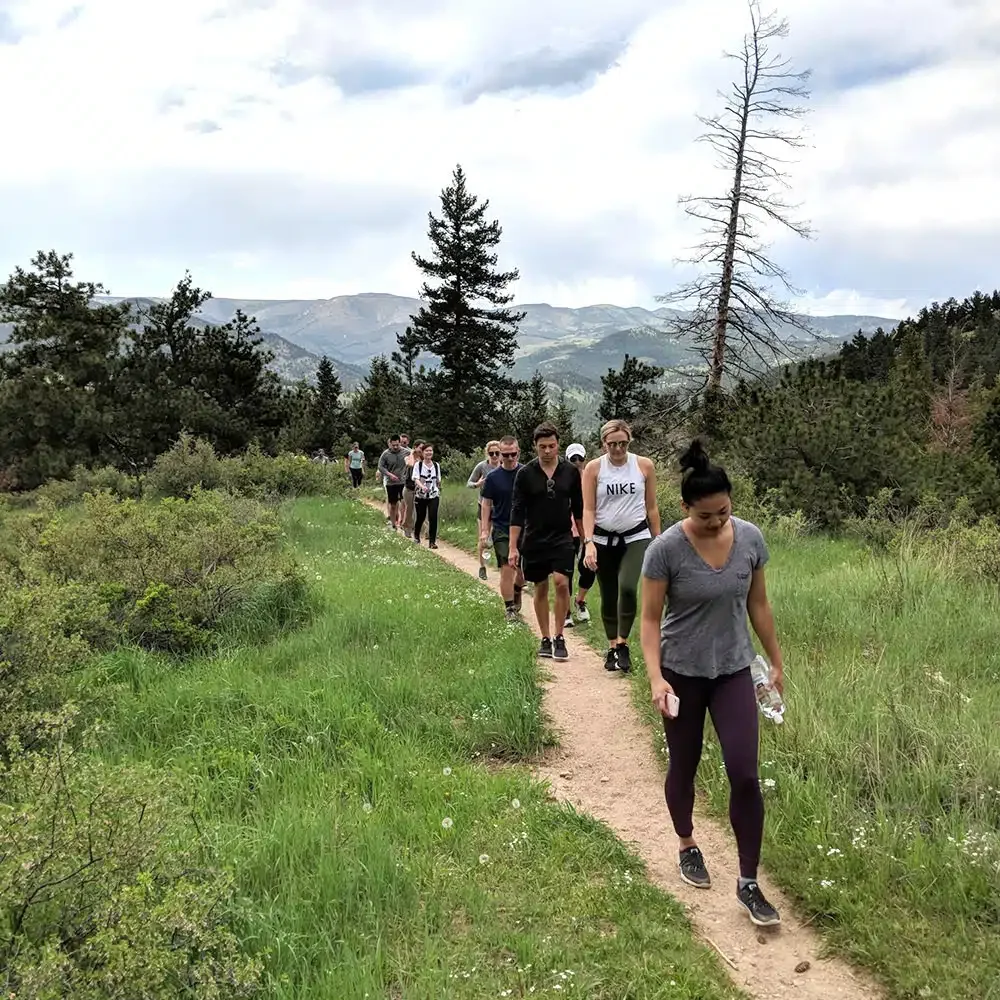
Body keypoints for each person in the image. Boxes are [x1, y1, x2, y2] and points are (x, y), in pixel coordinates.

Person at [639, 439, 785, 928]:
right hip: (681, 673)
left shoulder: (750, 539)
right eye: (706, 516)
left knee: (744, 770)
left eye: (724, 512)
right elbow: (650, 619)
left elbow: (758, 605)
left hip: (734, 671)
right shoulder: (665, 551)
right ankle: (687, 844)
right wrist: (656, 677)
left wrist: (775, 660)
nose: (718, 522)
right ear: (685, 509)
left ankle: (748, 882)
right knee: (684, 763)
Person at [582, 420, 661, 674]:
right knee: (608, 592)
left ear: (630, 442)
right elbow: (589, 508)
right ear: (604, 443)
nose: (618, 449)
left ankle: (624, 643)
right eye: (612, 444)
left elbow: (651, 507)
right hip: (604, 539)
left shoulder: (643, 465)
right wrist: (588, 542)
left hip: (636, 536)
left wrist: (658, 540)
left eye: (623, 443)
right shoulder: (594, 469)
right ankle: (612, 646)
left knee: (627, 587)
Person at [509, 422, 583, 661]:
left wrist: (586, 540)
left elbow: (579, 509)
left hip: (562, 536)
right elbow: (517, 511)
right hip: (534, 537)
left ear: (558, 444)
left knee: (562, 583)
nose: (548, 451)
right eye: (543, 447)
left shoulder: (570, 472)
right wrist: (513, 547)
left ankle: (560, 635)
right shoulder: (525, 473)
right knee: (540, 587)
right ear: (535, 447)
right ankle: (545, 636)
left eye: (552, 446)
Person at [480, 436, 525, 623]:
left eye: (513, 454)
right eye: (505, 455)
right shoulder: (492, 478)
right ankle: (509, 608)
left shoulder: (527, 473)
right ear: (499, 455)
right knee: (507, 567)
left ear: (518, 452)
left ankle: (517, 589)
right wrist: (484, 530)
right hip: (501, 527)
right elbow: (486, 504)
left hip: (526, 527)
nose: (509, 458)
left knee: (524, 570)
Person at [564, 443, 595, 628]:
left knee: (589, 569)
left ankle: (580, 600)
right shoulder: (561, 478)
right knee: (566, 571)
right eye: (573, 459)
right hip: (567, 531)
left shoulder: (592, 478)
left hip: (589, 532)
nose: (577, 462)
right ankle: (566, 610)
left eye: (580, 458)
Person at [468, 441, 502, 581]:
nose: (494, 456)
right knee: (483, 538)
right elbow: (469, 483)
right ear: (487, 453)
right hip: (483, 506)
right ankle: (482, 567)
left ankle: (504, 568)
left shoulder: (505, 466)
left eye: (497, 453)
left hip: (500, 507)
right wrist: (478, 484)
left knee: (499, 539)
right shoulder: (482, 466)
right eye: (491, 453)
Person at [412, 443, 442, 549]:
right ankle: (416, 536)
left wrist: (438, 487)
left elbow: (438, 480)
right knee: (421, 517)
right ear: (423, 453)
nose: (429, 453)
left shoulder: (436, 465)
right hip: (421, 495)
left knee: (433, 517)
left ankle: (432, 541)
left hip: (434, 495)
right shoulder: (418, 465)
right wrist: (422, 486)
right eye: (427, 451)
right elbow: (415, 478)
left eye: (431, 451)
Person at [377, 434, 408, 530]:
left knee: (404, 502)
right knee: (393, 504)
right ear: (390, 443)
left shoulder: (406, 452)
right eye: (393, 445)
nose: (395, 447)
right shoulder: (385, 454)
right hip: (391, 482)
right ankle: (393, 524)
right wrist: (389, 474)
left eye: (397, 445)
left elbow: (416, 458)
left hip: (403, 482)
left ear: (400, 443)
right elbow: (380, 467)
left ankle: (403, 522)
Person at [401, 441, 424, 537]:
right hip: (409, 488)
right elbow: (410, 464)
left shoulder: (423, 460)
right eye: (420, 448)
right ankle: (407, 527)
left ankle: (424, 531)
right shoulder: (408, 457)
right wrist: (412, 453)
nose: (421, 450)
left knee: (421, 510)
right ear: (415, 447)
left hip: (419, 488)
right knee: (409, 509)